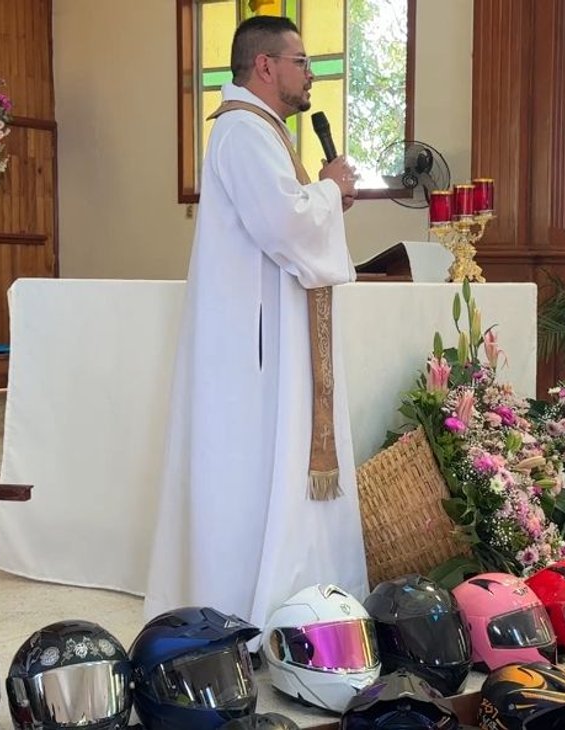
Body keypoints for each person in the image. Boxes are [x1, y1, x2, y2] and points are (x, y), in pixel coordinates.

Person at [144, 15, 367, 637]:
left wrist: (322, 196)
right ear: (265, 66)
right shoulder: (243, 132)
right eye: (300, 61)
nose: (310, 73)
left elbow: (289, 219)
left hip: (270, 335)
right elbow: (282, 225)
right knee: (252, 467)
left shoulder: (263, 132)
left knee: (275, 465)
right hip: (254, 347)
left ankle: (295, 593)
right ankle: (250, 602)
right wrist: (326, 190)